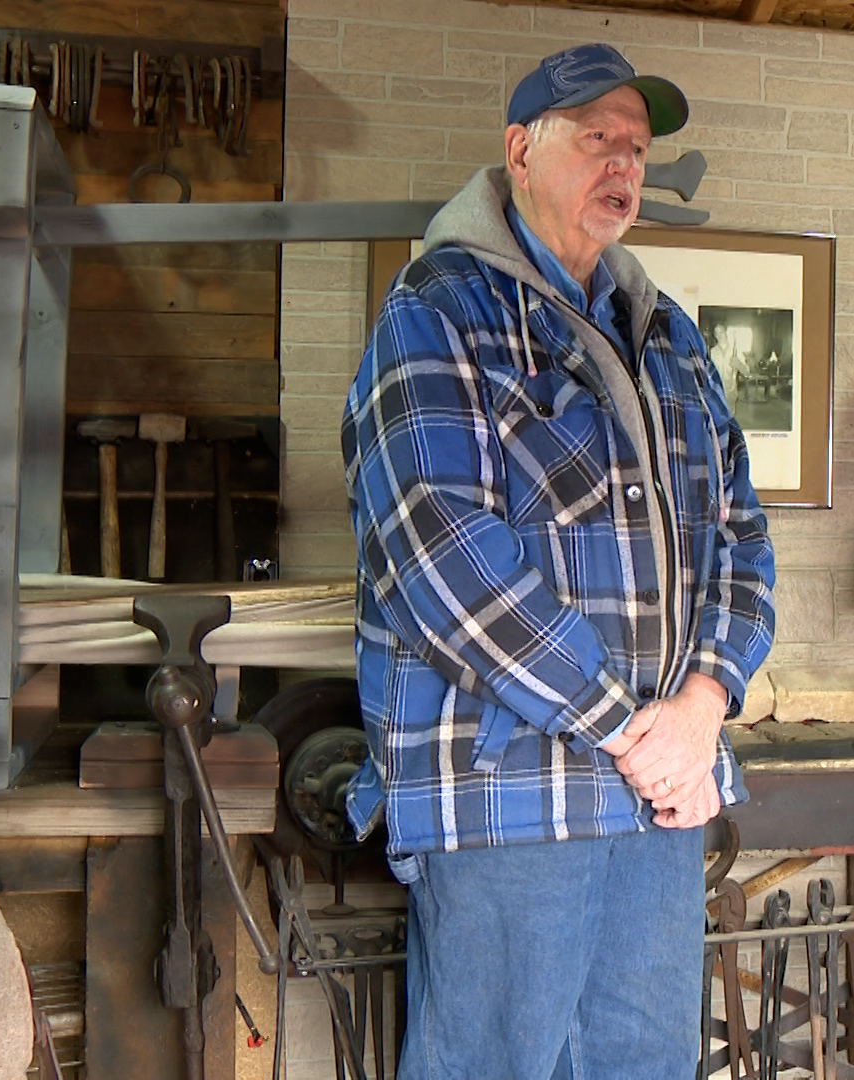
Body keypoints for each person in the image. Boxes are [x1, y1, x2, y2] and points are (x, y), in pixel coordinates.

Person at [339, 42, 776, 1079]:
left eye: (636, 145)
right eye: (596, 139)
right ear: (519, 150)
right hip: (510, 804)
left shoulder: (666, 334)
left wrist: (709, 700)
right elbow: (446, 559)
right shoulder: (435, 312)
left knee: (646, 1066)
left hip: (658, 800)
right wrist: (633, 729)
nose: (623, 162)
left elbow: (744, 535)